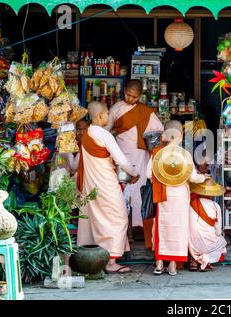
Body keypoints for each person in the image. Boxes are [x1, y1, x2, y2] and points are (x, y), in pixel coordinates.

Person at [77, 101, 140, 274]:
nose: (108, 117)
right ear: (99, 116)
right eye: (106, 114)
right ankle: (111, 261)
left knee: (98, 219)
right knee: (117, 219)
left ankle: (97, 258)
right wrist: (134, 173)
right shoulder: (103, 134)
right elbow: (121, 160)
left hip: (91, 185)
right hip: (106, 184)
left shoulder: (87, 134)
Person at [104, 79, 164, 248]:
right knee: (123, 191)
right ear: (124, 92)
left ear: (140, 96)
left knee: (139, 192)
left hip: (141, 155)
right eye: (128, 95)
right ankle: (126, 230)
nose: (131, 99)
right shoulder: (116, 108)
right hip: (121, 155)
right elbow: (107, 130)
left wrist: (147, 137)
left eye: (134, 97)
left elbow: (159, 129)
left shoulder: (145, 111)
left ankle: (139, 228)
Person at [146, 120, 207, 276]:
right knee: (178, 228)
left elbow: (148, 175)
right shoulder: (183, 154)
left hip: (162, 195)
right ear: (180, 135)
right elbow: (193, 177)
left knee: (162, 228)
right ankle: (172, 265)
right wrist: (204, 178)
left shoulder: (157, 153)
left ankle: (159, 264)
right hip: (179, 195)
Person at [188, 178, 227, 271]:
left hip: (191, 244)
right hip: (208, 244)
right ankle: (206, 258)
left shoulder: (190, 203)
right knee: (223, 242)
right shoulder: (215, 206)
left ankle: (194, 259)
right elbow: (218, 231)